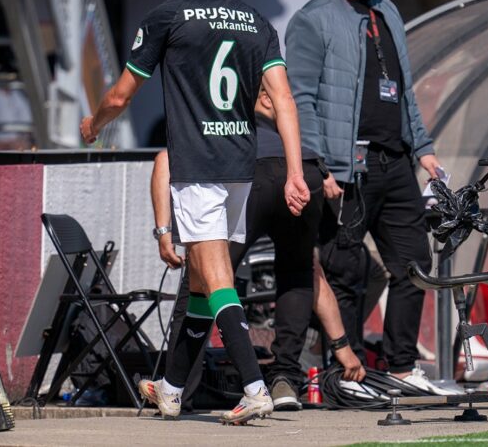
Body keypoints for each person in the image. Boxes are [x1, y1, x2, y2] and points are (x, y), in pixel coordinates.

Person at [80, 0, 310, 424]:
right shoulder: (255, 20)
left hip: (198, 165)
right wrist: (296, 171)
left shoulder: (168, 16)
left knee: (217, 278)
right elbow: (283, 100)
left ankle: (254, 387)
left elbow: (121, 94)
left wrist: (93, 123)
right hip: (239, 167)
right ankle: (171, 387)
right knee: (205, 287)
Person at [285, 0, 444, 389]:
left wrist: (425, 149)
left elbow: (405, 90)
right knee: (346, 272)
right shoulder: (312, 19)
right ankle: (345, 376)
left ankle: (401, 366)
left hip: (395, 162)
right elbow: (300, 101)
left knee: (414, 265)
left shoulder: (388, 10)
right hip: (345, 168)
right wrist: (319, 166)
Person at [151, 86, 365, 413]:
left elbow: (164, 158)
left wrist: (164, 230)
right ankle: (284, 381)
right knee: (298, 274)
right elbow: (314, 275)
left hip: (250, 172)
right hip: (308, 172)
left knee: (206, 277)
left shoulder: (221, 119)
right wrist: (342, 346)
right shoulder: (292, 143)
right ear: (268, 100)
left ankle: (181, 390)